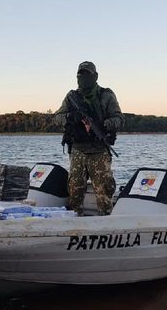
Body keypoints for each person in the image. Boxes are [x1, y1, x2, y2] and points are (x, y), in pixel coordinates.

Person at [55, 61, 124, 216]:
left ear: (95, 76)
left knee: (104, 192)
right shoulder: (72, 96)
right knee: (74, 191)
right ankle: (74, 226)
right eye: (80, 74)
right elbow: (56, 118)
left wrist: (104, 124)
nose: (83, 78)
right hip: (78, 150)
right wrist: (70, 116)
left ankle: (106, 228)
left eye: (87, 74)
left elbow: (119, 119)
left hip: (99, 151)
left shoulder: (106, 95)